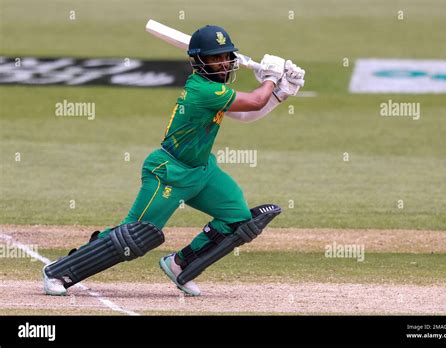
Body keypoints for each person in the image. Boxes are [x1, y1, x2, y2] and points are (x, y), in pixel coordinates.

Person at [43, 25, 305, 297]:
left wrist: (280, 92)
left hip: (202, 172)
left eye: (226, 56)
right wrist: (272, 78)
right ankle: (60, 271)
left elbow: (247, 115)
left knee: (238, 219)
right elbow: (253, 101)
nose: (223, 63)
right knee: (135, 236)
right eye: (216, 58)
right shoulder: (203, 90)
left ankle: (181, 264)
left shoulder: (214, 91)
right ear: (200, 62)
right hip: (169, 172)